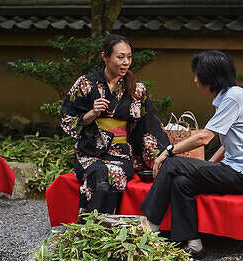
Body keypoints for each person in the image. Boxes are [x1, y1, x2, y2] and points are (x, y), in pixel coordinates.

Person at [140, 50, 243, 258]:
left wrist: (167, 151)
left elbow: (204, 137)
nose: (195, 79)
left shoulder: (233, 98)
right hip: (235, 171)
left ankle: (150, 226)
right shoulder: (231, 96)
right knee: (182, 182)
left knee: (172, 164)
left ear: (212, 77)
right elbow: (227, 144)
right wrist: (207, 166)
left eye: (199, 75)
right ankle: (194, 244)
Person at [60, 34, 169, 215]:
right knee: (99, 172)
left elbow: (149, 125)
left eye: (129, 57)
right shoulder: (86, 84)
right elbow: (67, 120)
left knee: (115, 174)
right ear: (105, 57)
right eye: (120, 57)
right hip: (89, 152)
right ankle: (94, 228)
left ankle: (99, 227)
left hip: (121, 154)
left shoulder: (136, 89)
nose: (126, 62)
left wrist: (161, 155)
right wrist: (92, 113)